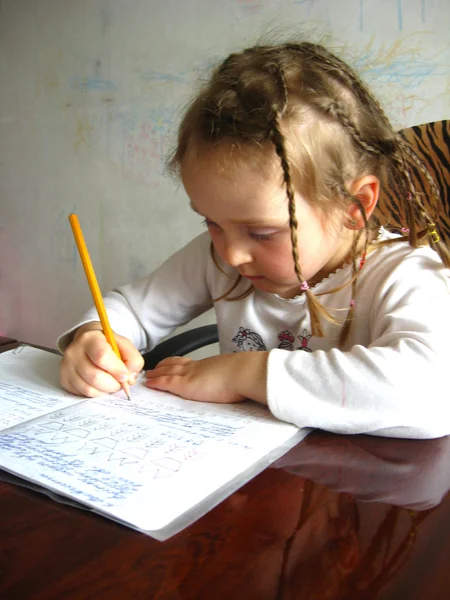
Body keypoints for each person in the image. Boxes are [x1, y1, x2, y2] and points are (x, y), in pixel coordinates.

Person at [58, 41, 450, 438]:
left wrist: (244, 372)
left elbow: (433, 389)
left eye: (262, 233)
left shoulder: (408, 274)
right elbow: (131, 309)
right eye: (210, 222)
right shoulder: (217, 257)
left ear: (354, 206)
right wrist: (93, 338)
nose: (231, 253)